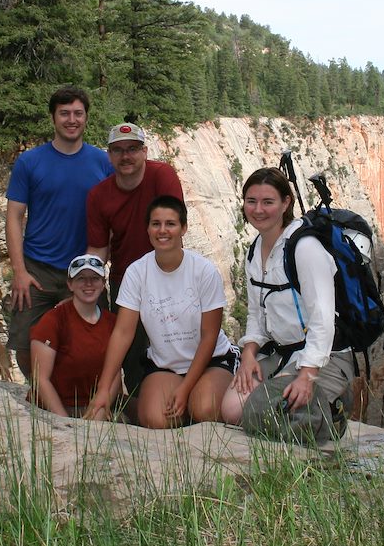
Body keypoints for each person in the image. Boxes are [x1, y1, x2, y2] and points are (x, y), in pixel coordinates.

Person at [221, 168, 353, 443]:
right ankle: (316, 408)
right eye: (251, 201)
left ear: (286, 203)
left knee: (266, 415)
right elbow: (257, 312)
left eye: (268, 202)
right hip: (281, 352)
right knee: (233, 410)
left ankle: (331, 407)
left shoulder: (305, 248)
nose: (258, 210)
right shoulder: (255, 250)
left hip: (323, 356)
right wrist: (249, 353)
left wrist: (307, 374)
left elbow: (323, 319)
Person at [83, 195, 236, 429]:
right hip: (166, 365)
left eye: (170, 224)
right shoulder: (137, 273)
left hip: (210, 361)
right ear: (148, 229)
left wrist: (185, 389)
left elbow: (209, 336)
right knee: (157, 419)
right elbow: (123, 333)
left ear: (183, 228)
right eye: (156, 224)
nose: (162, 230)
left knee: (205, 408)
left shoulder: (203, 271)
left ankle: (202, 394)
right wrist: (104, 391)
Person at [5, 86, 112, 378]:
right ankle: (40, 396)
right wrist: (19, 271)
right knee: (26, 341)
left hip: (84, 269)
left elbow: (112, 214)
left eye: (78, 113)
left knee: (92, 341)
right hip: (36, 268)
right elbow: (14, 217)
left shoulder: (101, 162)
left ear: (86, 118)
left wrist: (100, 263)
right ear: (53, 117)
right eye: (64, 113)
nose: (71, 119)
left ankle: (88, 400)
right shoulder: (30, 162)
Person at [85, 121, 184, 395]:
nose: (125, 156)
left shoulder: (162, 176)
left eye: (132, 149)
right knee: (132, 357)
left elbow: (171, 230)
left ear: (145, 152)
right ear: (109, 155)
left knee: (175, 346)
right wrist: (84, 278)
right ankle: (143, 409)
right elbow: (98, 249)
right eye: (118, 150)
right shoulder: (99, 196)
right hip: (125, 283)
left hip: (168, 277)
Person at [28, 254, 121, 417]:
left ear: (103, 284)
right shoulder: (53, 320)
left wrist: (96, 417)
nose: (88, 284)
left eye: (94, 278)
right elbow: (40, 379)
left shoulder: (112, 323)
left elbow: (115, 375)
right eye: (81, 278)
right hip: (55, 408)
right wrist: (66, 424)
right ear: (70, 285)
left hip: (95, 406)